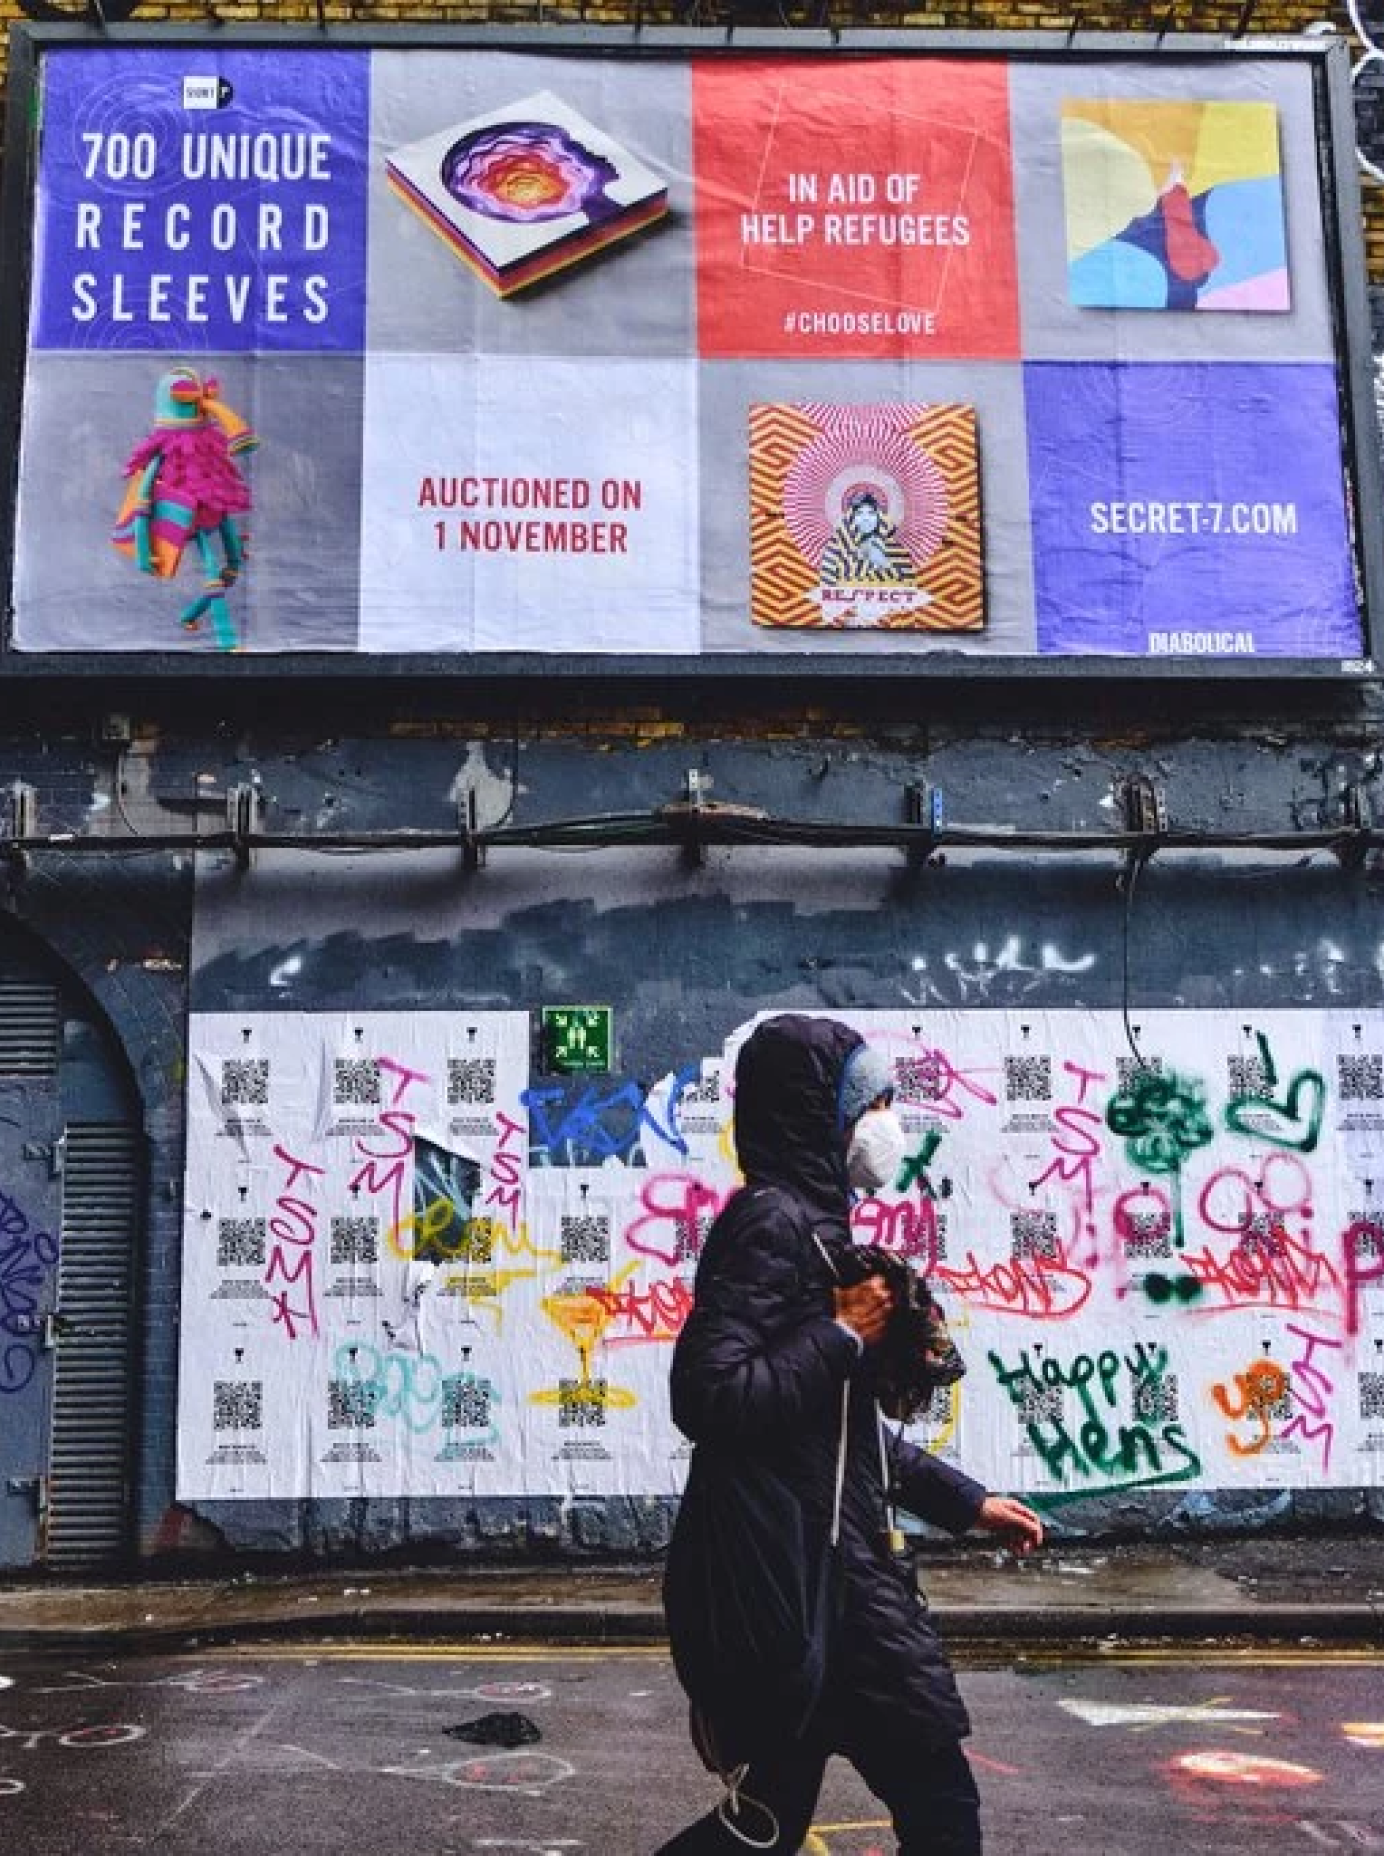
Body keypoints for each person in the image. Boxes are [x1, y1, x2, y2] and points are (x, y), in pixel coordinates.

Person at [657, 1013, 1043, 1855]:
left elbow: (841, 1440)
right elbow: (706, 1394)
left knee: (767, 1824)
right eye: (872, 1105)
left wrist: (970, 1505)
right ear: (817, 1116)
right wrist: (838, 1336)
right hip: (816, 1583)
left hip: (827, 1579)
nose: (888, 1125)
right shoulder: (771, 1222)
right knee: (942, 1809)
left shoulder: (817, 1231)